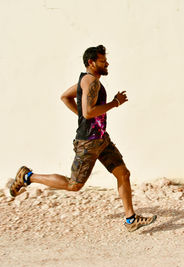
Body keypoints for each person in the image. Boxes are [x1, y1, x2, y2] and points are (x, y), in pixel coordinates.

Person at [9, 45, 156, 232]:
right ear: (91, 62)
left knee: (123, 173)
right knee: (74, 185)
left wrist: (83, 116)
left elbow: (65, 98)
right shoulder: (91, 82)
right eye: (103, 61)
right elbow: (88, 113)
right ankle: (28, 176)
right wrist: (115, 103)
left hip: (101, 139)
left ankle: (130, 219)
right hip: (88, 142)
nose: (107, 63)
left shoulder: (85, 81)